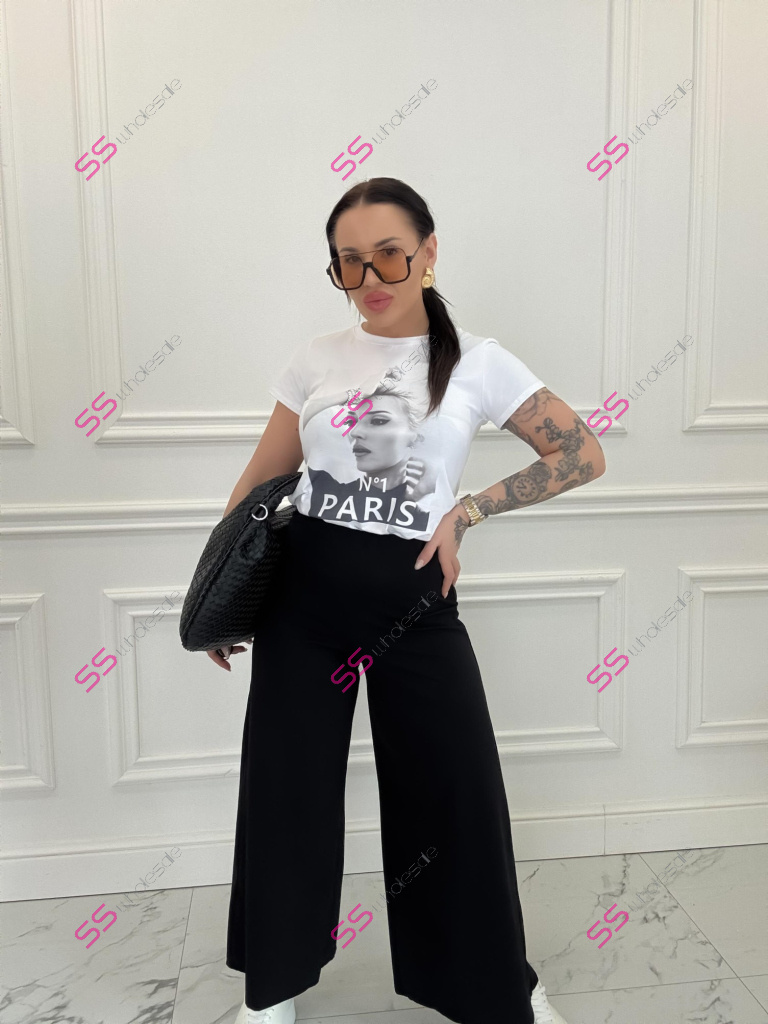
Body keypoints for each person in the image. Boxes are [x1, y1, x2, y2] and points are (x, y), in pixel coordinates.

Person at [214, 177, 605, 1024]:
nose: (370, 278)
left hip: (413, 601)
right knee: (286, 790)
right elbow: (262, 479)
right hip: (301, 599)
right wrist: (217, 590)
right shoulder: (315, 358)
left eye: (389, 254)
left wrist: (468, 511)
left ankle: (498, 983)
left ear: (429, 251)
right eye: (349, 263)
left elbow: (582, 454)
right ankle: (273, 991)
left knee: (455, 792)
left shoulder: (478, 361)